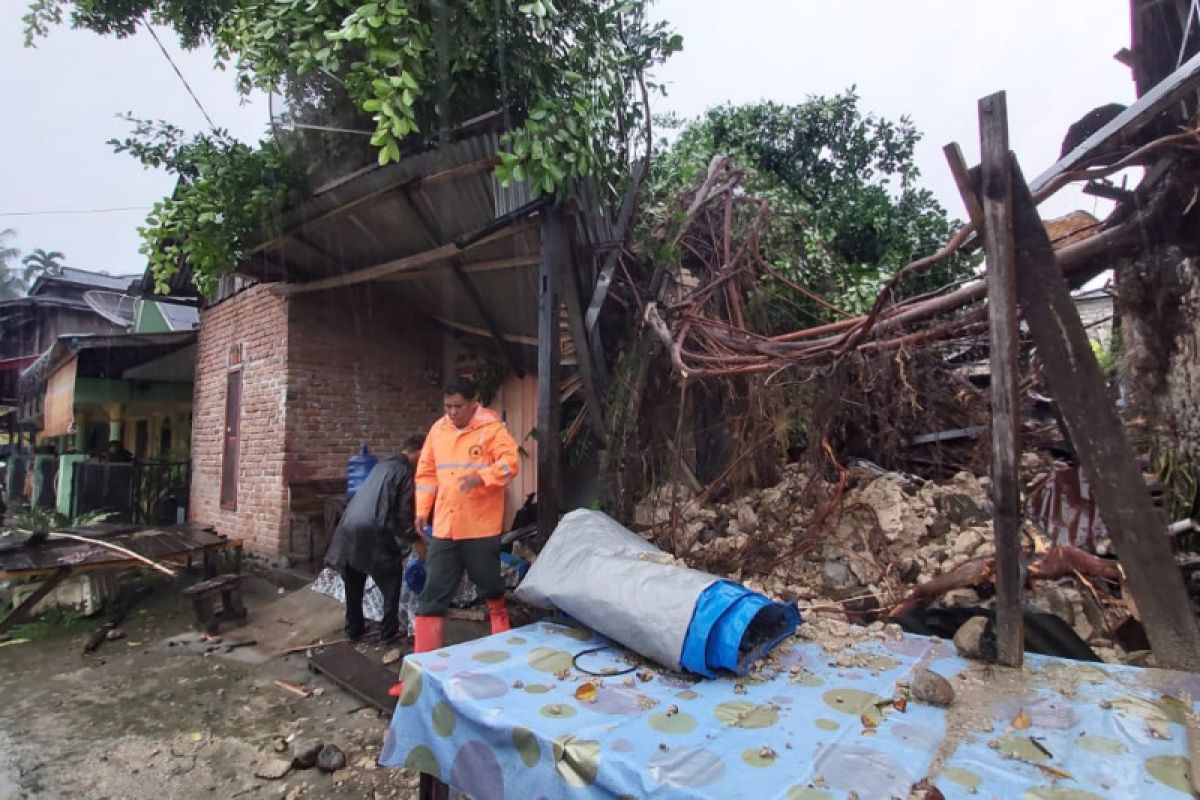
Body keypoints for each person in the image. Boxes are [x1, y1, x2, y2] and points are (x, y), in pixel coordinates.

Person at [388, 377, 520, 696]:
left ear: (475, 402)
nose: (451, 413)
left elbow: (510, 464)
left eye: (457, 407)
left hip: (480, 526)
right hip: (445, 528)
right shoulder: (439, 430)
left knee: (489, 586)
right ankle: (418, 676)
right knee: (432, 595)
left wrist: (482, 477)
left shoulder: (492, 429)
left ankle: (504, 656)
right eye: (446, 406)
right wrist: (422, 509)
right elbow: (427, 473)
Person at [324, 435, 425, 643]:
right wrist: (415, 539)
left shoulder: (381, 467)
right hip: (372, 528)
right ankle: (389, 634)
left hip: (348, 526)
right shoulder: (405, 471)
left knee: (354, 579)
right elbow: (404, 512)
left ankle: (354, 629)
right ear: (418, 452)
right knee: (391, 578)